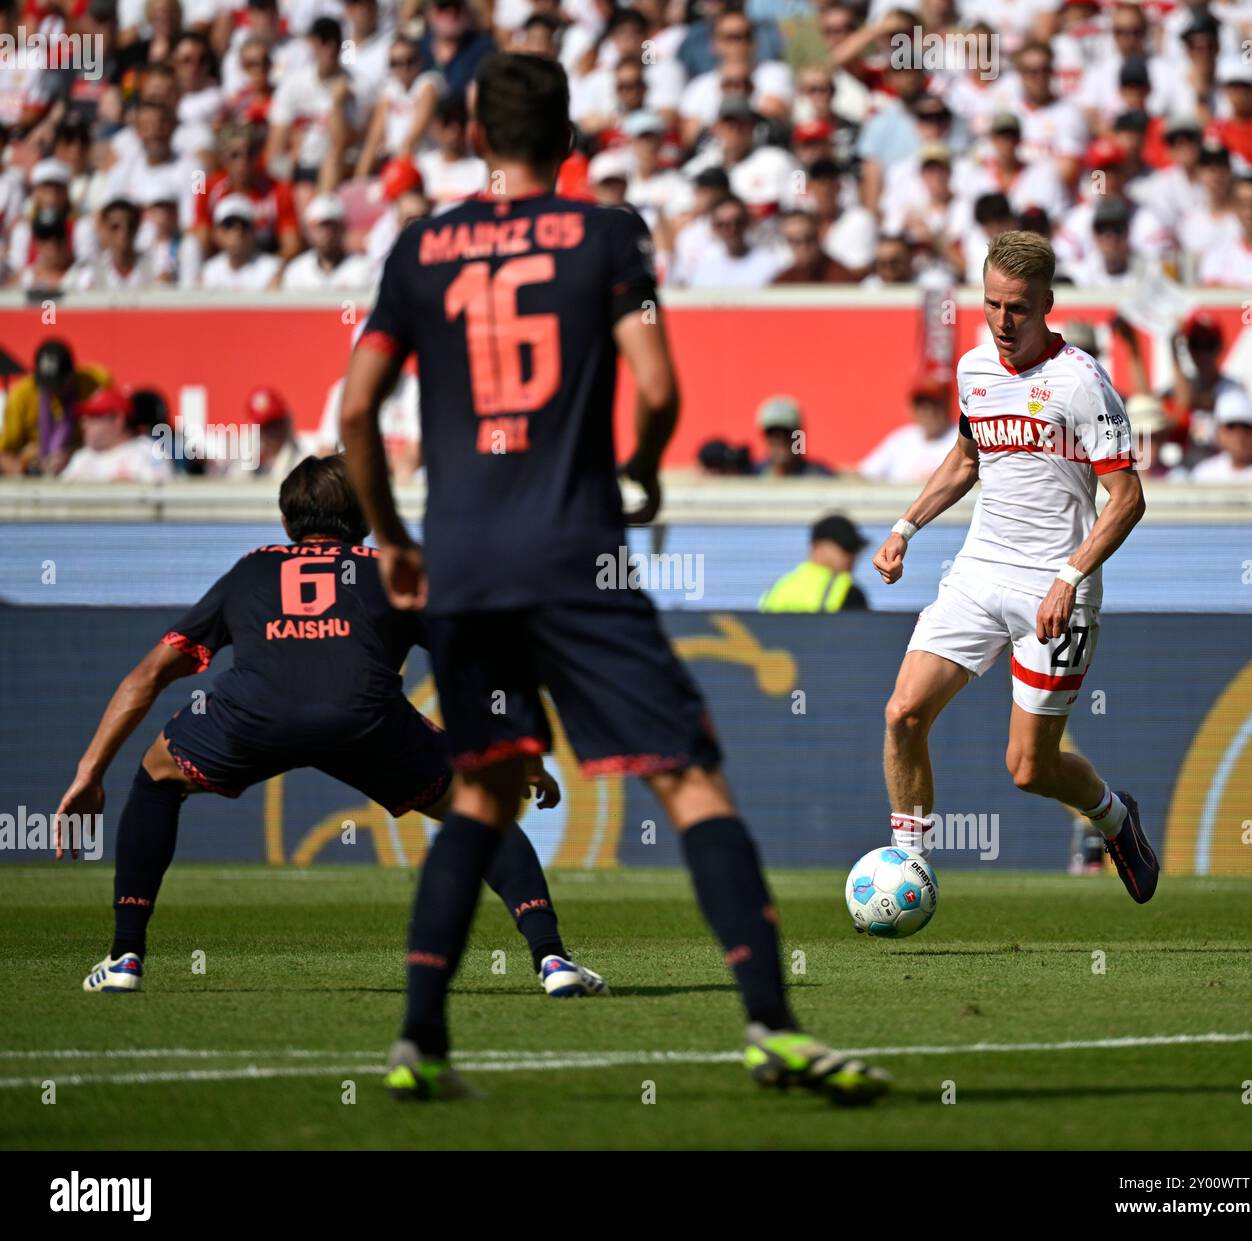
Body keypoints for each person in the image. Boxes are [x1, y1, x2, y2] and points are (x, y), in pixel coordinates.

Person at [339, 51, 886, 1106]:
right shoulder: (606, 234)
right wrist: (635, 474)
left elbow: (356, 412)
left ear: (470, 136)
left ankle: (419, 1040)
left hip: (459, 565)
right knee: (687, 775)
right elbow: (659, 384)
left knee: (484, 790)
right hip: (574, 554)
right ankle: (772, 1026)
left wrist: (395, 539)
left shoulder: (418, 248)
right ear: (571, 140)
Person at [55, 455, 604, 1002]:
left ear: (288, 520)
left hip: (255, 716)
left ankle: (125, 956)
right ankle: (552, 959)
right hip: (365, 721)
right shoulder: (395, 569)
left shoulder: (250, 569)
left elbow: (147, 676)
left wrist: (89, 772)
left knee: (157, 775)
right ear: (365, 514)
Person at [871, 230, 1158, 906]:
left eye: (1019, 309)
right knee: (903, 713)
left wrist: (1070, 575)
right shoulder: (973, 371)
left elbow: (1129, 498)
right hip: (978, 569)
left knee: (1028, 767)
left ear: (1047, 304)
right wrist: (905, 526)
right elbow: (968, 462)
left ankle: (1116, 817)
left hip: (1053, 586)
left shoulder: (1081, 382)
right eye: (994, 304)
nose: (1004, 321)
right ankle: (912, 868)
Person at [0, 338, 111, 476]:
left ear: (71, 375)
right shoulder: (21, 396)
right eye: (46, 384)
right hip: (35, 475)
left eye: (57, 385)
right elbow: (3, 454)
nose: (51, 391)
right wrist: (27, 468)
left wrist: (72, 455)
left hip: (83, 469)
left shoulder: (95, 383)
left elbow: (114, 437)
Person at [59, 387, 172, 484]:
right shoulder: (82, 457)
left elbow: (162, 498)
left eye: (94, 416)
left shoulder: (148, 452)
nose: (84, 424)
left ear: (118, 420)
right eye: (84, 417)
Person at [759, 514, 869, 612]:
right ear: (817, 546)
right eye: (846, 547)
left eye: (855, 549)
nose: (852, 556)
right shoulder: (846, 590)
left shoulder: (777, 588)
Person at [857, 379, 957, 483]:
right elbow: (865, 474)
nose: (928, 411)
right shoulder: (902, 439)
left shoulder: (962, 439)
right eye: (921, 404)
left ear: (947, 405)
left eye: (935, 403)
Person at [754, 394, 835, 477]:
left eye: (786, 433)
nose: (779, 440)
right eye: (772, 434)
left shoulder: (818, 476)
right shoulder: (754, 474)